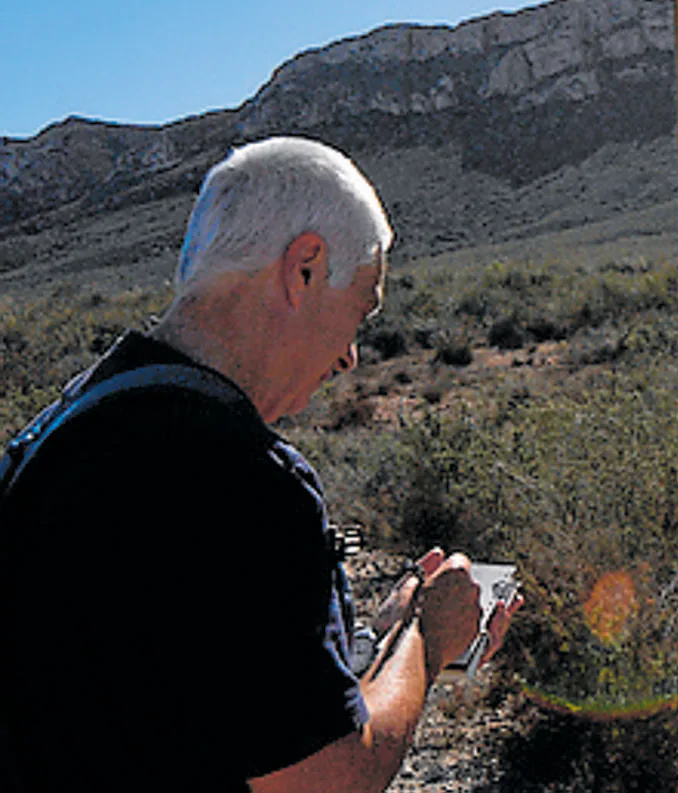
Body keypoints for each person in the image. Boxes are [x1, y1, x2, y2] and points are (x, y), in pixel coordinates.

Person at [0, 136, 519, 792]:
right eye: (360, 309)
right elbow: (328, 777)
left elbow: (177, 685)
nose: (349, 357)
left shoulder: (68, 424)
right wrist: (427, 638)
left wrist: (374, 646)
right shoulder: (244, 480)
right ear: (303, 268)